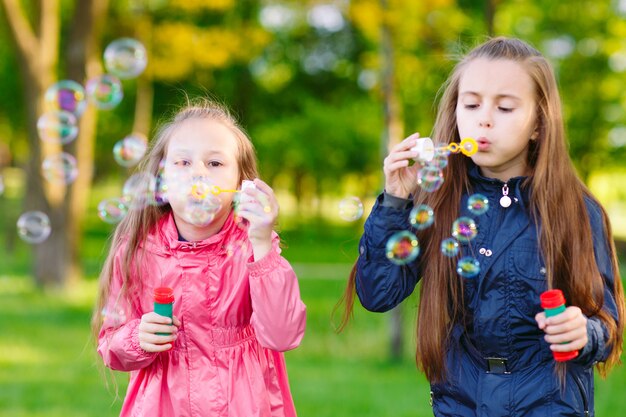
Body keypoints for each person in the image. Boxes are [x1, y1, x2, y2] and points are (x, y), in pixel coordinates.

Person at [338, 37, 624, 416]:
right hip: (461, 404)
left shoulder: (575, 210)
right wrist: (395, 201)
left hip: (550, 403)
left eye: (505, 107)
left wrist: (583, 332)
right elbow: (378, 293)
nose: (484, 118)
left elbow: (606, 322)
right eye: (471, 104)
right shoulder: (437, 202)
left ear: (539, 123)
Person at [92, 99, 306, 417]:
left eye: (215, 164)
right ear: (161, 182)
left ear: (240, 183)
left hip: (245, 406)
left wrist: (262, 243)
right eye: (183, 163)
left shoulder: (253, 247)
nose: (198, 175)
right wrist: (137, 338)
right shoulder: (136, 250)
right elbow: (111, 346)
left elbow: (282, 334)